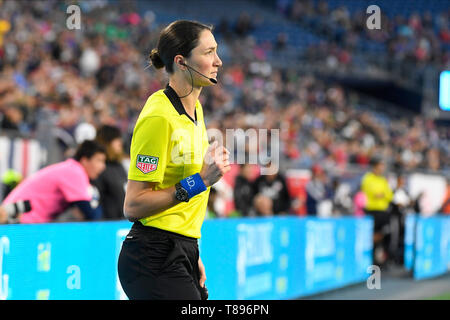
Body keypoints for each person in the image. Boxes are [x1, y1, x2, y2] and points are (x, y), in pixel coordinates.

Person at [118, 20, 230, 300]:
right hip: (151, 257)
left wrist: (193, 254)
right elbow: (133, 205)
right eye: (208, 53)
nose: (218, 61)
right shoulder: (159, 116)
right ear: (181, 61)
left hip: (181, 250)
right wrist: (201, 180)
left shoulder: (197, 110)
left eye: (216, 51)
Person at [0, 140, 106, 224]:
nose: (103, 167)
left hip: (22, 219)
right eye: (99, 160)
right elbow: (91, 214)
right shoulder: (75, 172)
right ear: (84, 160)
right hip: (17, 219)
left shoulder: (71, 168)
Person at [361, 158, 393, 267]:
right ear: (375, 166)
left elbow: (389, 195)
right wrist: (381, 195)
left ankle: (381, 259)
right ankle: (371, 259)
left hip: (383, 211)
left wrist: (382, 195)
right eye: (380, 165)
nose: (382, 168)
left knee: (384, 235)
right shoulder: (368, 178)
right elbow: (372, 193)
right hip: (372, 210)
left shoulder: (383, 180)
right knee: (372, 236)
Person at [93, 124, 128, 220]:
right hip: (107, 225)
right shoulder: (100, 169)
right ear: (106, 142)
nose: (120, 142)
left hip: (123, 223)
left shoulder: (118, 165)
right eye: (116, 139)